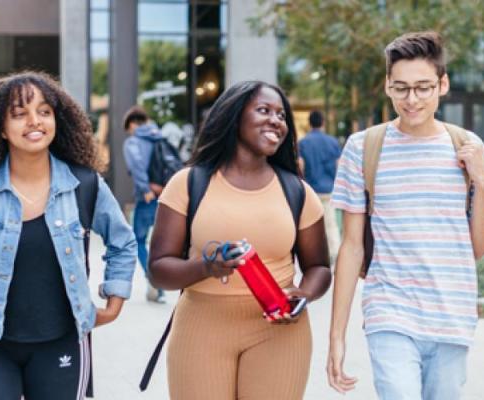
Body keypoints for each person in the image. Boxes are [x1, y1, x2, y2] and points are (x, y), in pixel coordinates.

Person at [0, 71, 137, 400]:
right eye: (20, 114)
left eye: (44, 111)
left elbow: (123, 243)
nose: (34, 121)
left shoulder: (85, 184)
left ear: (56, 119)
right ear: (1, 129)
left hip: (62, 346)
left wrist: (114, 303)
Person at [326, 31, 484, 400]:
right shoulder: (363, 148)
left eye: (423, 87)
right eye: (401, 88)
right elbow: (352, 247)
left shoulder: (468, 148)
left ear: (443, 84)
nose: (412, 99)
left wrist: (482, 183)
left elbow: (479, 247)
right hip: (390, 311)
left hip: (452, 315)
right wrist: (337, 335)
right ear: (387, 86)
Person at [148, 80, 331, 400]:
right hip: (201, 329)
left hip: (279, 333)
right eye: (264, 110)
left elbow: (319, 266)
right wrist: (206, 267)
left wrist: (304, 295)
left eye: (281, 115)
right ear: (234, 117)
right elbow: (159, 270)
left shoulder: (298, 192)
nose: (276, 120)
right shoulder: (188, 183)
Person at [122, 106, 168, 303]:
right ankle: (159, 284)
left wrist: (145, 189)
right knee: (160, 243)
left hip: (147, 197)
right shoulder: (160, 136)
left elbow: (137, 166)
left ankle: (155, 280)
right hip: (167, 194)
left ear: (132, 124)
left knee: (138, 240)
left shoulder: (133, 142)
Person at [298, 110, 342, 261]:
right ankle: (334, 254)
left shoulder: (303, 143)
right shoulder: (332, 141)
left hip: (311, 190)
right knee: (331, 223)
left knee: (311, 225)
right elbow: (339, 165)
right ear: (323, 122)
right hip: (329, 189)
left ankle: (314, 256)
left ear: (309, 123)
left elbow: (301, 165)